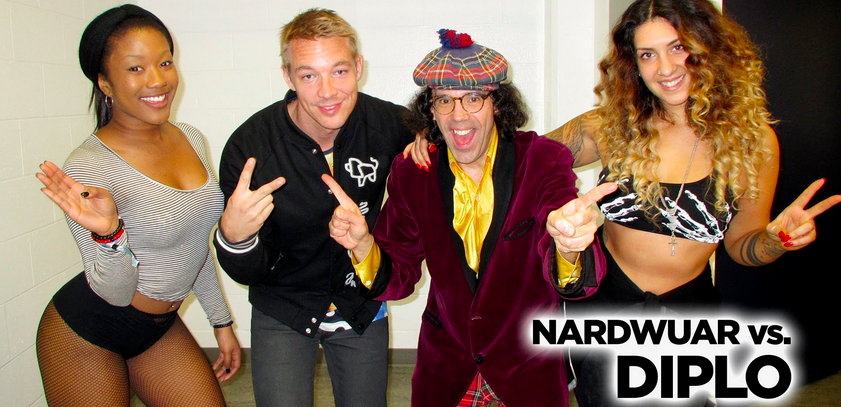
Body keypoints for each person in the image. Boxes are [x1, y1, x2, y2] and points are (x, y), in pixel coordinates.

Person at [538, 0, 841, 405]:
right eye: (647, 54)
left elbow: (742, 246)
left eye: (678, 47)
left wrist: (774, 241)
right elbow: (521, 161)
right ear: (633, 65)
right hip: (606, 308)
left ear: (709, 47)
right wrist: (437, 137)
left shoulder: (753, 142)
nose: (665, 68)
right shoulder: (610, 126)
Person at [323, 29, 619, 407]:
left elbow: (565, 261)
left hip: (527, 369)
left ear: (498, 105)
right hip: (446, 368)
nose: (458, 115)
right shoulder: (413, 172)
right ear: (430, 110)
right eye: (444, 100)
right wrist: (364, 245)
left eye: (474, 98)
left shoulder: (542, 160)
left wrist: (570, 246)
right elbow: (398, 275)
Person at [34, 5, 240, 406]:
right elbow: (114, 293)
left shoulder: (190, 138)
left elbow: (194, 243)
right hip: (88, 331)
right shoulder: (88, 166)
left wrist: (221, 321)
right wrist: (110, 235)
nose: (157, 80)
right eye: (135, 68)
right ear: (104, 83)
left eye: (165, 62)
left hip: (158, 327)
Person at [212, 8, 414, 407]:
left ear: (358, 67)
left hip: (360, 304)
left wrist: (427, 139)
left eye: (339, 71)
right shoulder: (250, 148)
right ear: (288, 77)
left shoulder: (391, 124)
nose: (327, 91)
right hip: (283, 307)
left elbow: (448, 134)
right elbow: (247, 271)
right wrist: (234, 238)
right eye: (309, 75)